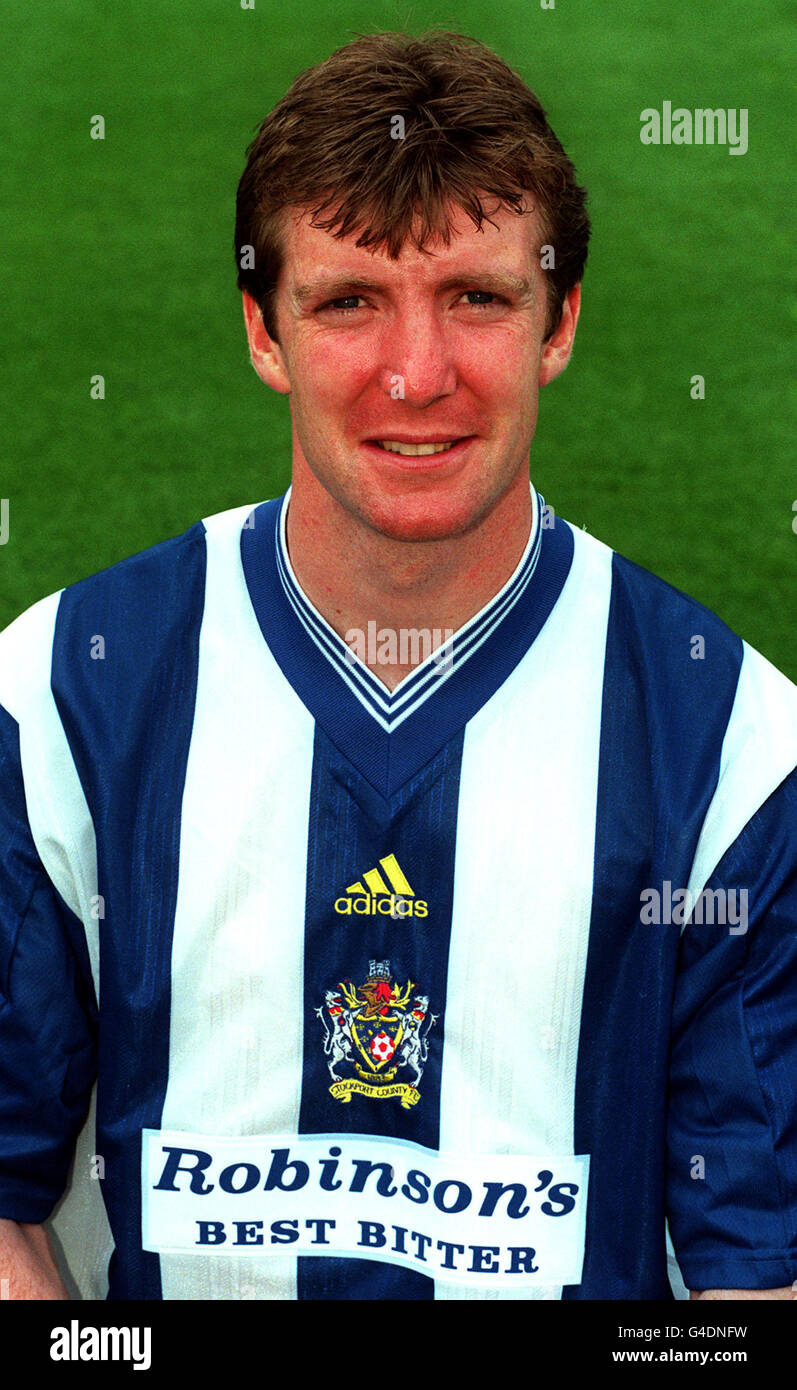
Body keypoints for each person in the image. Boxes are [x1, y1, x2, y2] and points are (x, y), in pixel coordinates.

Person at [1, 31, 795, 1303]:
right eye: (349, 300)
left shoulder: (732, 747)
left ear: (559, 322)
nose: (414, 375)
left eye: (476, 297)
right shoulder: (61, 695)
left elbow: (756, 1274)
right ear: (264, 332)